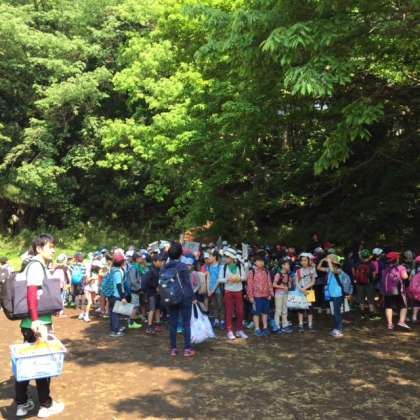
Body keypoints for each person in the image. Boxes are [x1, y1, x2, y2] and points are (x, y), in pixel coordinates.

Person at [15, 234, 64, 418]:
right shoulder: (36, 265)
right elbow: (31, 292)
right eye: (50, 247)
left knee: (27, 362)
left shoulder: (35, 264)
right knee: (43, 363)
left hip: (31, 322)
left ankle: (21, 404)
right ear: (39, 248)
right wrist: (36, 320)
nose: (53, 250)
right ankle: (45, 405)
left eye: (54, 246)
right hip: (38, 323)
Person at [161, 242, 196, 357]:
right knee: (186, 323)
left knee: (173, 323)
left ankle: (173, 349)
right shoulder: (182, 266)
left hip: (170, 297)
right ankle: (187, 349)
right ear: (181, 254)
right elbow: (187, 283)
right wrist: (193, 297)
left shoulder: (165, 267)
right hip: (184, 297)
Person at [318, 254, 351, 338]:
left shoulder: (339, 270)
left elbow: (333, 271)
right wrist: (322, 260)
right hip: (332, 294)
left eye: (330, 262)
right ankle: (336, 328)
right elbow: (319, 268)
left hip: (338, 294)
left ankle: (339, 329)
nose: (328, 263)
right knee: (334, 312)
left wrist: (329, 261)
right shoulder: (329, 269)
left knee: (337, 312)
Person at [218, 248, 248, 340]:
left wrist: (238, 279)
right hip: (228, 291)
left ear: (232, 257)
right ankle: (229, 330)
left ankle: (239, 330)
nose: (225, 258)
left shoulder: (239, 266)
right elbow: (220, 279)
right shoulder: (223, 267)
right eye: (225, 257)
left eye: (227, 257)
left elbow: (245, 277)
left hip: (238, 291)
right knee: (229, 312)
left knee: (240, 312)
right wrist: (228, 279)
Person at [381, 252, 410, 331]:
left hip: (387, 291)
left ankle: (390, 324)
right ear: (397, 259)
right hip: (398, 290)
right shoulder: (401, 267)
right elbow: (405, 277)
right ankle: (401, 322)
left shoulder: (385, 268)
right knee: (403, 306)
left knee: (388, 307)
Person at [247, 254, 274, 337]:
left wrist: (270, 293)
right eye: (258, 261)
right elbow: (249, 285)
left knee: (265, 312)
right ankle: (257, 328)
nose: (260, 262)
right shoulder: (252, 272)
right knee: (256, 313)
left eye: (262, 261)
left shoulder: (266, 271)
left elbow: (269, 282)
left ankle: (265, 328)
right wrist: (250, 296)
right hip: (256, 296)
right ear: (255, 262)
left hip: (266, 296)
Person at [142, 254, 164, 334]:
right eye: (159, 261)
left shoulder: (159, 269)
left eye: (161, 261)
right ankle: (149, 326)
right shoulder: (150, 270)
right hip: (151, 293)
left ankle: (157, 324)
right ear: (154, 261)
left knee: (158, 308)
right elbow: (146, 282)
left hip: (158, 293)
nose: (161, 262)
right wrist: (155, 287)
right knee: (152, 309)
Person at [295, 253, 317, 332]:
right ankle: (300, 324)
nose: (303, 262)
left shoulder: (312, 270)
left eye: (305, 260)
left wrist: (305, 288)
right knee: (300, 308)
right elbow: (296, 282)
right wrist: (301, 289)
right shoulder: (298, 271)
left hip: (309, 291)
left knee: (310, 309)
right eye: (302, 260)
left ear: (308, 261)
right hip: (300, 291)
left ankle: (310, 325)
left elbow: (313, 282)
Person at [108, 253, 128, 337]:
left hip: (110, 294)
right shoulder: (117, 272)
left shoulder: (112, 269)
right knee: (116, 312)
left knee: (113, 312)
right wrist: (123, 297)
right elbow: (119, 285)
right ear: (122, 262)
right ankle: (116, 330)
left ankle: (114, 328)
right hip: (116, 295)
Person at [354, 249, 377, 317]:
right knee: (370, 299)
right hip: (369, 284)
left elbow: (355, 273)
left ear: (361, 256)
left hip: (359, 284)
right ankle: (372, 314)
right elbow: (374, 275)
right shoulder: (371, 264)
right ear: (368, 256)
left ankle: (362, 314)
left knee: (361, 299)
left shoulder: (358, 264)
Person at [273, 259, 293, 333]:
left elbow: (289, 286)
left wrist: (290, 283)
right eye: (287, 264)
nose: (289, 266)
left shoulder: (288, 274)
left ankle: (285, 325)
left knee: (285, 309)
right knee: (278, 310)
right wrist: (283, 287)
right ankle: (277, 326)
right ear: (282, 265)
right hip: (278, 294)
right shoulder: (278, 274)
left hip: (285, 294)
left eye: (289, 265)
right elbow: (274, 284)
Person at [207, 251, 224, 329]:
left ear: (214, 257)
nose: (209, 258)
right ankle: (216, 320)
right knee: (214, 305)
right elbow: (208, 278)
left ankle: (222, 321)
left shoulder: (220, 266)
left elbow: (219, 279)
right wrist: (208, 289)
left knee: (220, 305)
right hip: (211, 289)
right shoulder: (209, 266)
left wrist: (213, 289)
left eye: (210, 256)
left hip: (218, 289)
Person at [408, 256, 420, 323]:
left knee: (416, 303)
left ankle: (414, 317)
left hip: (414, 289)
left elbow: (410, 279)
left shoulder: (413, 270)